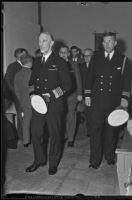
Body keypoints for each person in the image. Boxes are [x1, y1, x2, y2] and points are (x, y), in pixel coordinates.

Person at [25, 32, 71, 175]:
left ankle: (53, 163)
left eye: (44, 41)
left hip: (54, 105)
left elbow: (68, 84)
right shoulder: (37, 62)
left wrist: (50, 95)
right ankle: (39, 160)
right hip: (38, 104)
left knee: (55, 135)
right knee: (36, 132)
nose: (41, 44)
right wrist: (32, 94)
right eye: (39, 41)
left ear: (51, 43)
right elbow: (32, 82)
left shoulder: (60, 61)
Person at [84, 32, 132, 168]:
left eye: (110, 41)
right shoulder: (96, 57)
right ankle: (94, 161)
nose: (107, 44)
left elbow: (127, 82)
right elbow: (89, 78)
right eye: (104, 42)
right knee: (95, 131)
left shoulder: (122, 59)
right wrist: (87, 95)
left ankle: (109, 157)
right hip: (97, 101)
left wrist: (124, 99)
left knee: (111, 131)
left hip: (113, 102)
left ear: (115, 43)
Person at [59, 45, 82, 147]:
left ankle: (71, 138)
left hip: (72, 95)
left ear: (69, 53)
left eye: (65, 52)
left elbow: (78, 79)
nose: (64, 54)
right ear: (59, 54)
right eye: (61, 52)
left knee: (71, 116)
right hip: (59, 95)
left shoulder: (74, 64)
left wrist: (80, 93)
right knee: (60, 116)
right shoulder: (55, 65)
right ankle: (62, 136)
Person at [4, 48, 28, 142]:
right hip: (18, 95)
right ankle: (22, 137)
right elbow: (7, 81)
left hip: (27, 94)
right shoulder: (12, 66)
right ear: (18, 56)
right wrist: (16, 92)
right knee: (21, 115)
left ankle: (26, 135)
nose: (26, 56)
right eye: (24, 54)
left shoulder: (27, 64)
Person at [14, 54, 33, 147]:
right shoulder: (31, 73)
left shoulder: (17, 75)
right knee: (36, 122)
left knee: (26, 122)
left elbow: (16, 90)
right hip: (33, 101)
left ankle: (26, 141)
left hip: (23, 101)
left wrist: (21, 101)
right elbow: (34, 88)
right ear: (30, 63)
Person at [80, 48, 94, 136]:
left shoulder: (97, 66)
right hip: (85, 93)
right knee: (88, 113)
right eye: (85, 56)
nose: (86, 57)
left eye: (88, 55)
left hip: (96, 94)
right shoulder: (81, 66)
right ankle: (89, 131)